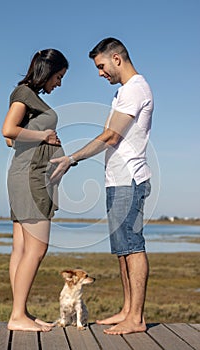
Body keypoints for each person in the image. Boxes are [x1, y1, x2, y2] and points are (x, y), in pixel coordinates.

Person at [50, 38, 154, 335]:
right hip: (116, 179)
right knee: (123, 250)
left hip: (129, 179)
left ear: (117, 58)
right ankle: (126, 310)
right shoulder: (124, 92)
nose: (99, 73)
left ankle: (136, 318)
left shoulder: (135, 90)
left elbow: (111, 136)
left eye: (101, 66)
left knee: (133, 247)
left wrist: (73, 158)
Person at [2, 49, 68, 332]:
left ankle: (21, 313)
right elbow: (7, 130)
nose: (59, 83)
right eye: (59, 76)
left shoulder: (28, 96)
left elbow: (13, 141)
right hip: (31, 179)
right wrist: (44, 135)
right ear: (48, 71)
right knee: (37, 248)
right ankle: (17, 316)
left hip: (22, 174)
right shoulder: (25, 93)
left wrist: (42, 141)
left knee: (21, 248)